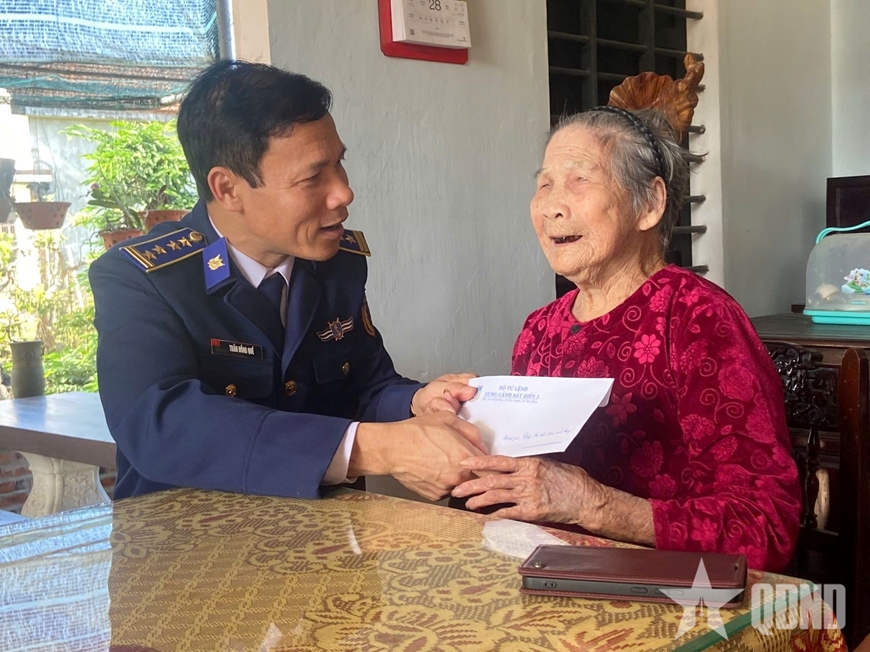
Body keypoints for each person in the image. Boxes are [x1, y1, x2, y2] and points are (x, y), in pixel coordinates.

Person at [90, 60, 483, 502]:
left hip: (328, 542)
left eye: (340, 164)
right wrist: (376, 449)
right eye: (313, 177)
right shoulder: (141, 278)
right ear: (228, 189)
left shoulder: (338, 263)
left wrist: (417, 402)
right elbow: (162, 425)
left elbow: (366, 385)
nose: (344, 193)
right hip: (191, 547)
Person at [451, 106, 802, 572]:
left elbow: (765, 525)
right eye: (544, 184)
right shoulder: (540, 330)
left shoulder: (697, 317)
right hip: (553, 584)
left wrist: (593, 505)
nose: (552, 205)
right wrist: (458, 438)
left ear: (650, 204)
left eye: (579, 180)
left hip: (671, 595)